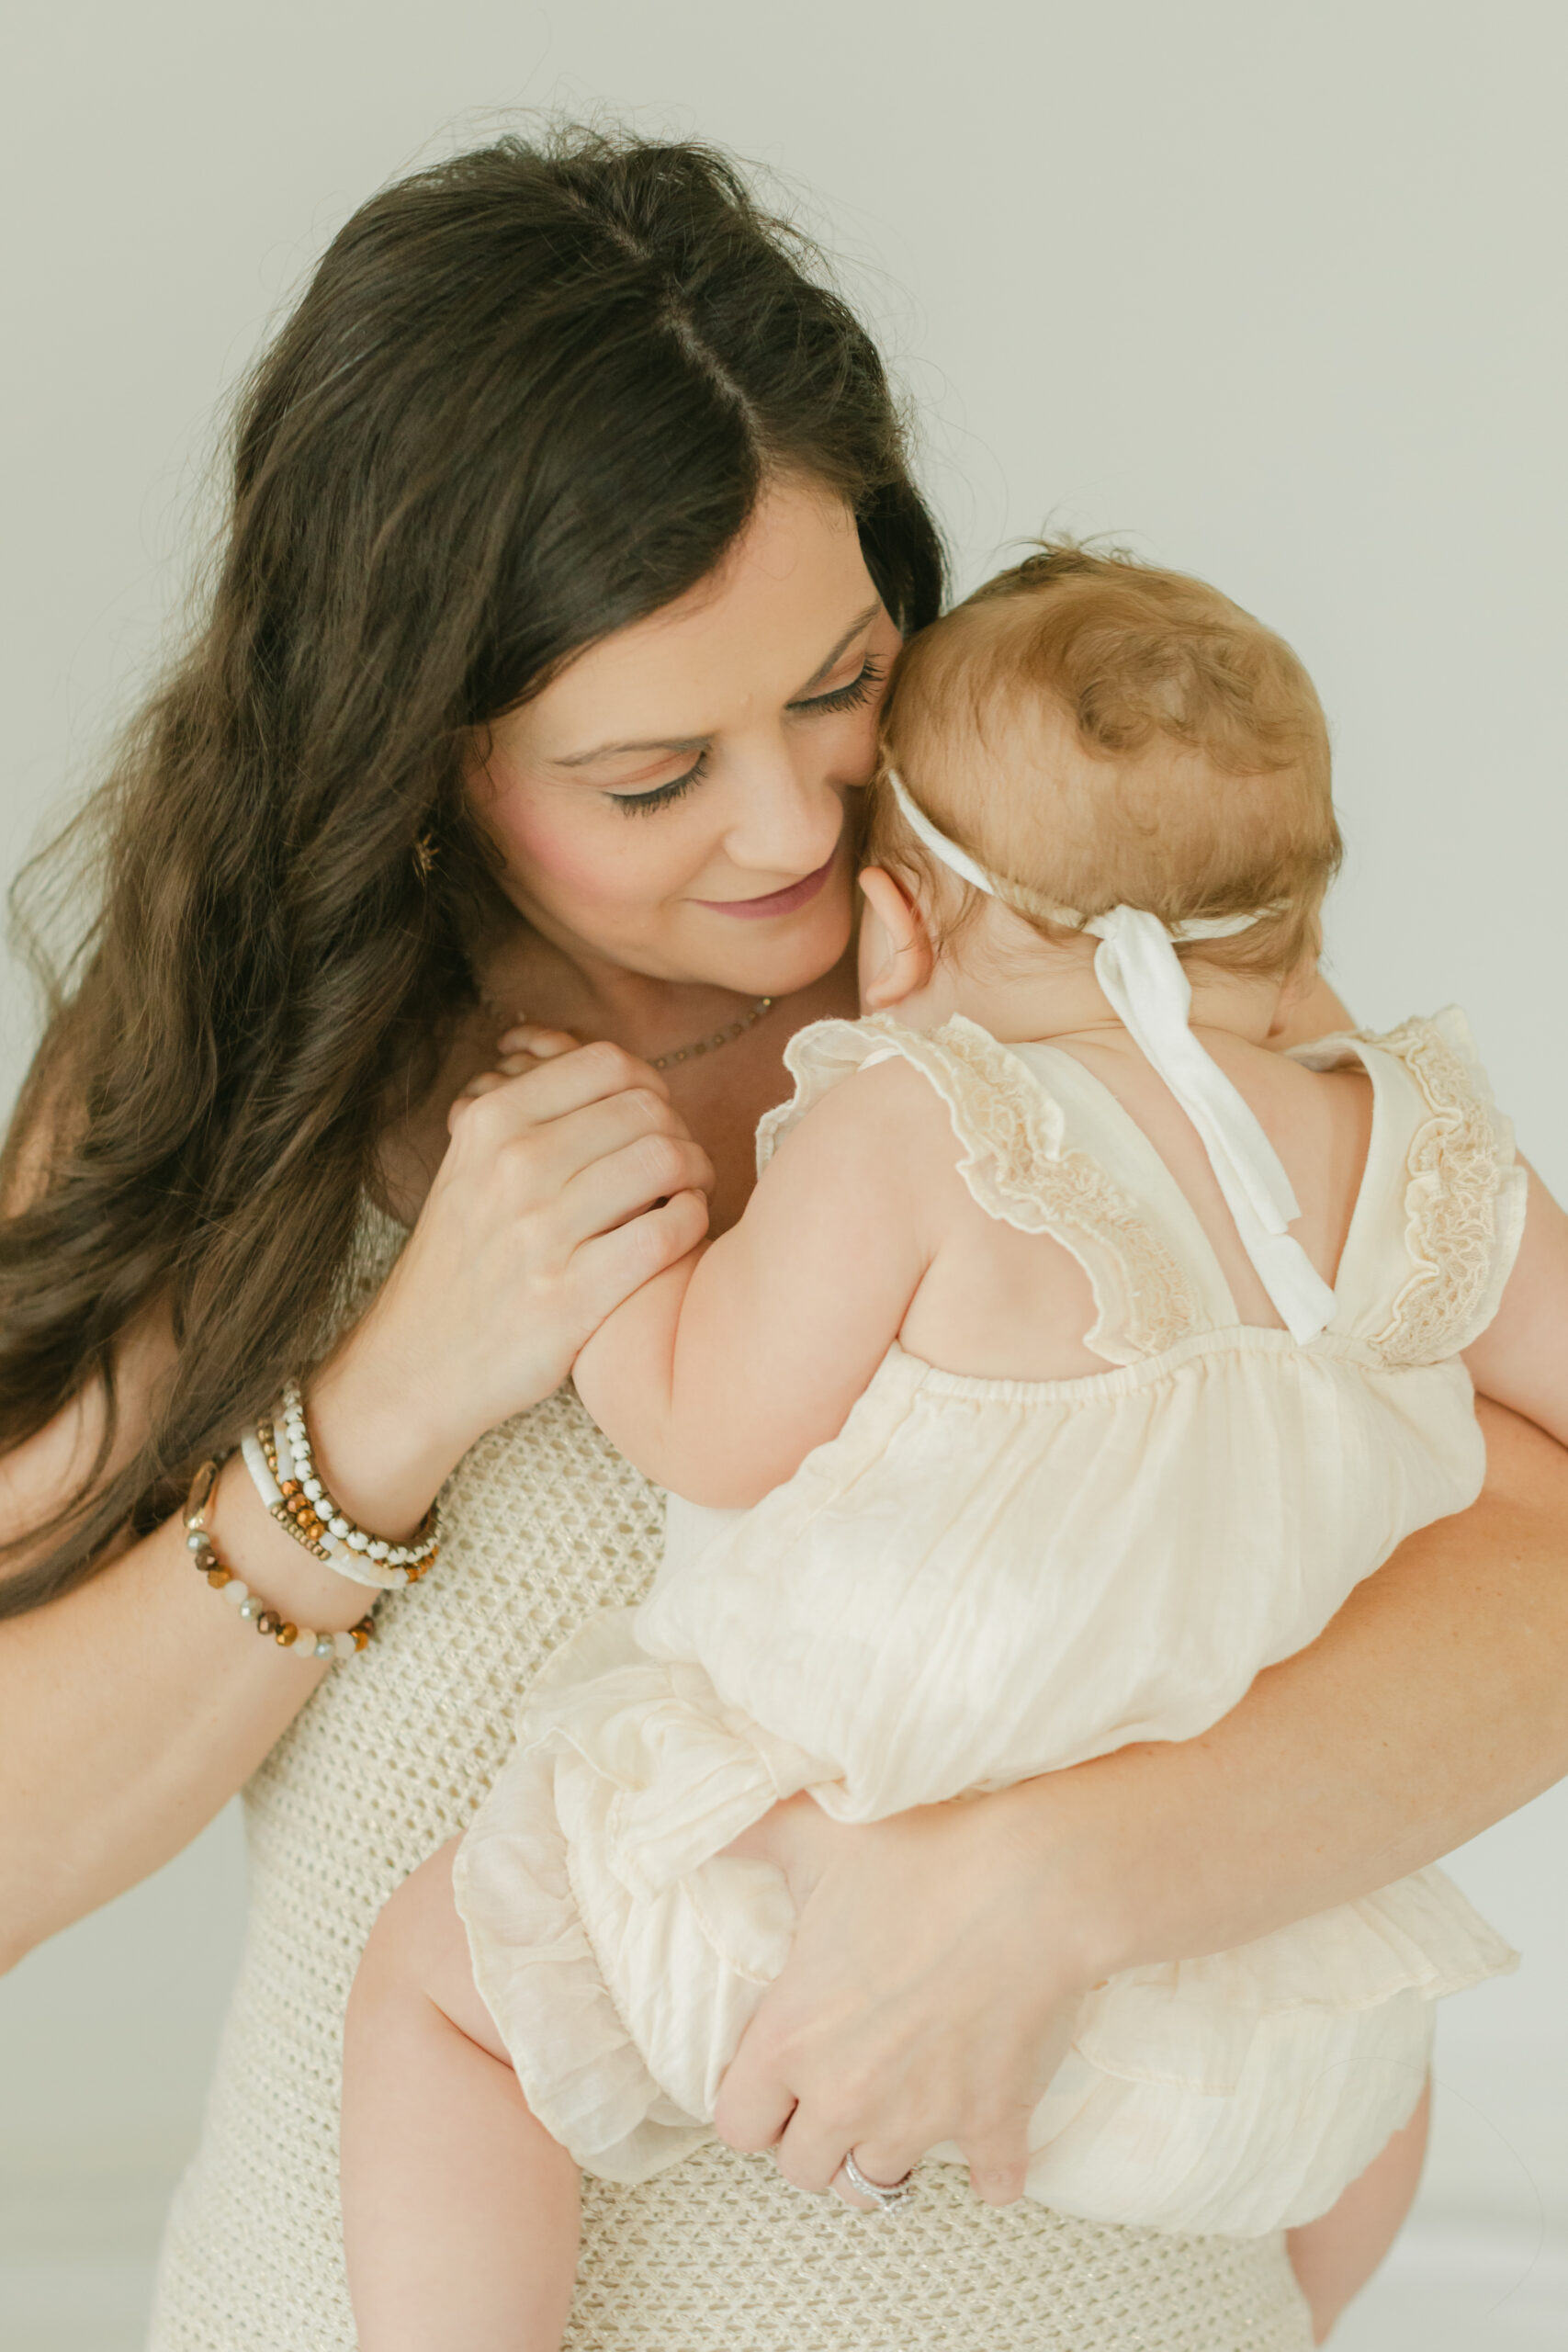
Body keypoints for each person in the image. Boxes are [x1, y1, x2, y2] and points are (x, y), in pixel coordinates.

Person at [1, 129, 1566, 2352]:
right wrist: (387, 1408)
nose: (794, 824)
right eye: (649, 778)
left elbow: (1524, 1523)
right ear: (420, 751)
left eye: (838, 682)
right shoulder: (231, 1078)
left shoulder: (1071, 960)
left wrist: (1045, 1882)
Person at [337, 545, 1560, 2350]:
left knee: (436, 1988)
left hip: (812, 1908)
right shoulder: (1422, 1151)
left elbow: (711, 1425)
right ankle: (1301, 2312)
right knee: (1371, 2081)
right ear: (1295, 930)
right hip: (1259, 2025)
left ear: (896, 919)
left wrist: (601, 1272)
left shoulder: (926, 1121)